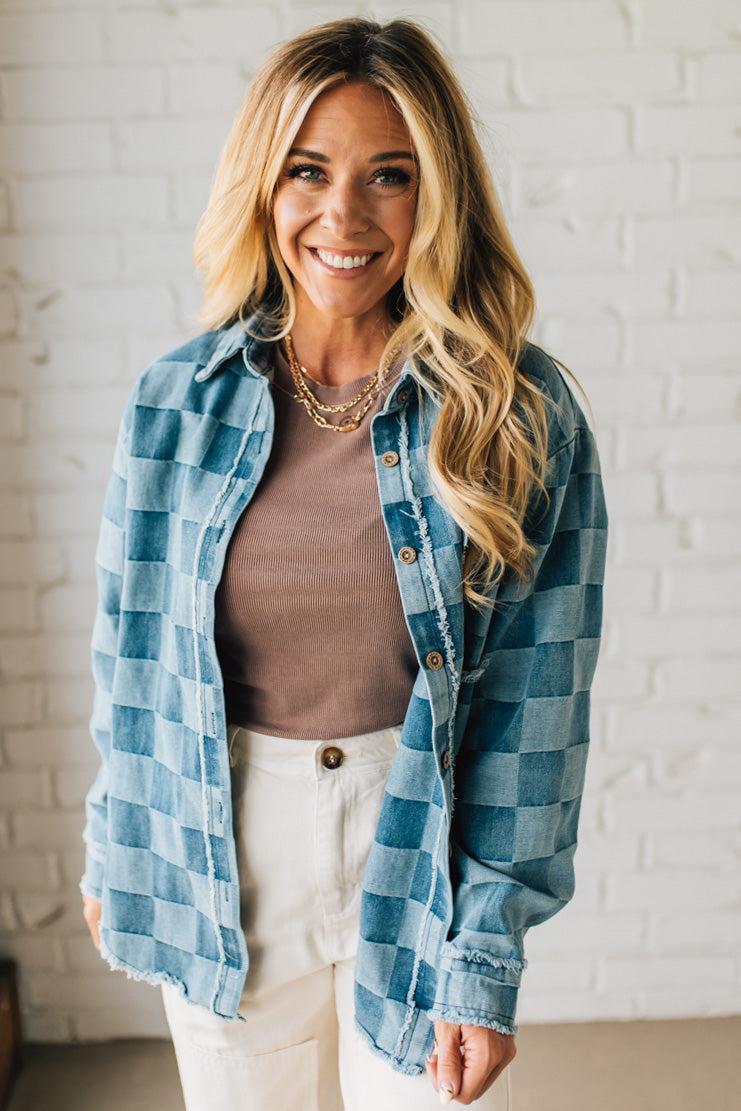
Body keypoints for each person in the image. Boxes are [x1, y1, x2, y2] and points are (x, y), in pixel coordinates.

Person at [80, 16, 608, 1110]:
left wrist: (487, 958)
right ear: (265, 183)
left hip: (415, 846)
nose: (345, 216)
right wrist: (113, 841)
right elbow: (131, 655)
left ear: (439, 195)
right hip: (219, 847)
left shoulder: (517, 414)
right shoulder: (176, 401)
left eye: (390, 176)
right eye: (309, 171)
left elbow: (535, 712)